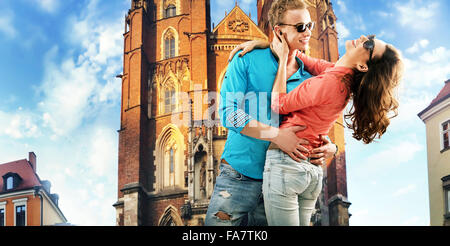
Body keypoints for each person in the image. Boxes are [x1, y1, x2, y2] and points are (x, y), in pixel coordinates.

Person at [230, 15, 403, 227]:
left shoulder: (330, 81)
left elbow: (278, 104)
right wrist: (265, 44)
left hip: (287, 165)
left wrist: (282, 60)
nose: (364, 37)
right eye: (371, 37)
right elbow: (304, 58)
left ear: (363, 66)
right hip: (309, 171)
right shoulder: (340, 76)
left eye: (369, 44)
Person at [204, 0, 337, 226]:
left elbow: (316, 124)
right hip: (239, 176)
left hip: (283, 182)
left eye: (310, 25)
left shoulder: (312, 78)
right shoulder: (245, 58)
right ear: (279, 31)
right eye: (300, 27)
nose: (308, 33)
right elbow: (227, 113)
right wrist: (275, 135)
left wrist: (329, 146)